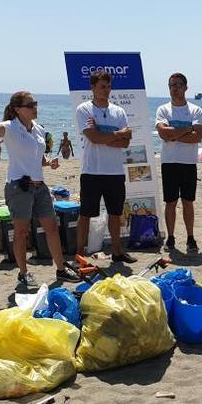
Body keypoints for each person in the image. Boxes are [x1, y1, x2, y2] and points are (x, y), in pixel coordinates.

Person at [0, 92, 77, 287]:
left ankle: (61, 269)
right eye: (30, 105)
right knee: (20, 232)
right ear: (17, 109)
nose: (35, 107)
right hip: (19, 187)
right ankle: (23, 273)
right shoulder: (10, 127)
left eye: (35, 104)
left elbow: (37, 159)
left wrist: (49, 163)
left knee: (52, 227)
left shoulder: (39, 130)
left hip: (40, 186)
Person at [74, 71, 137, 264]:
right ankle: (79, 254)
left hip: (115, 172)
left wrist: (104, 134)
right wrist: (116, 134)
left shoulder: (119, 111)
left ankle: (117, 252)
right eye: (102, 86)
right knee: (86, 214)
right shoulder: (84, 109)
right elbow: (93, 138)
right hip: (92, 171)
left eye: (109, 86)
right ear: (93, 88)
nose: (106, 90)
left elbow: (126, 143)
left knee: (115, 213)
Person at [155, 72, 202, 254]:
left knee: (188, 201)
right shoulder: (163, 110)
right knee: (170, 202)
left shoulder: (195, 110)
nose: (174, 89)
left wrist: (173, 134)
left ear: (185, 87)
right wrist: (187, 129)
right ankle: (171, 237)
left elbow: (197, 137)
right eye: (171, 85)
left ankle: (190, 238)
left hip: (188, 162)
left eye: (177, 85)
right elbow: (164, 134)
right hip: (169, 162)